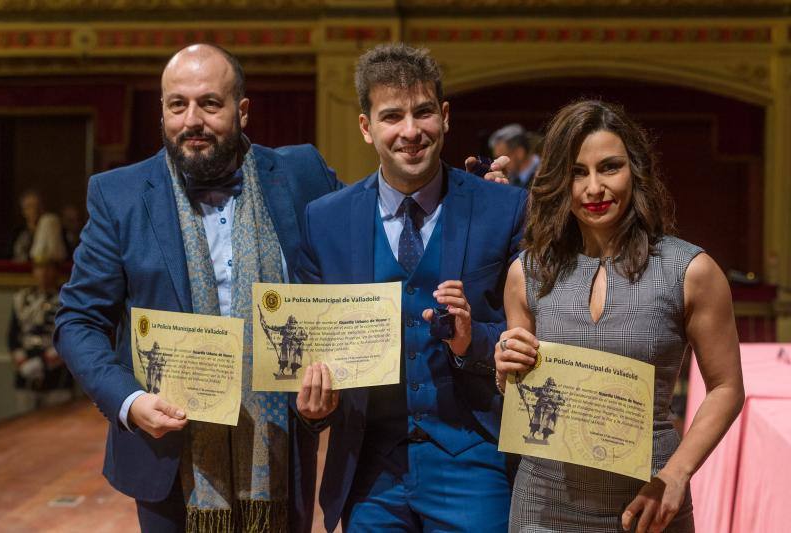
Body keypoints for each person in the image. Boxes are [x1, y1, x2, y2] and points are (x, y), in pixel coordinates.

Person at [54, 44, 342, 532]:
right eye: (177, 104)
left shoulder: (299, 174)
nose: (193, 120)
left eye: (210, 103)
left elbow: (366, 228)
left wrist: (464, 191)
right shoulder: (118, 195)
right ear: (162, 110)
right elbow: (77, 320)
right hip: (167, 455)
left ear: (242, 110)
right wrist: (129, 401)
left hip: (280, 450)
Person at [296, 43, 527, 532]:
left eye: (423, 112)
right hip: (370, 467)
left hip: (475, 457)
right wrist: (314, 406)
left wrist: (472, 341)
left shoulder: (504, 209)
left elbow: (534, 329)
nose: (410, 131)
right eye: (391, 116)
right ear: (366, 127)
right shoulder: (324, 221)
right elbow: (309, 345)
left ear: (444, 117)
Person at [494, 100, 744, 532]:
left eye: (609, 167)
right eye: (577, 172)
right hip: (541, 504)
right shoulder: (526, 273)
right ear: (558, 180)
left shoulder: (690, 271)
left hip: (649, 502)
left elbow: (726, 386)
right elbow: (520, 392)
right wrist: (504, 369)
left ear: (636, 171)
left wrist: (676, 474)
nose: (594, 187)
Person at [8, 258, 73, 410]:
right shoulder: (22, 299)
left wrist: (44, 362)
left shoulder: (66, 299)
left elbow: (68, 337)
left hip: (57, 376)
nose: (44, 274)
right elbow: (13, 335)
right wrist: (22, 362)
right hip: (26, 372)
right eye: (40, 268)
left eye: (48, 268)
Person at [488, 123, 541, 189]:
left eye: (502, 157)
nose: (497, 163)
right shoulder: (509, 178)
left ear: (519, 153)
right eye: (496, 158)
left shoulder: (547, 172)